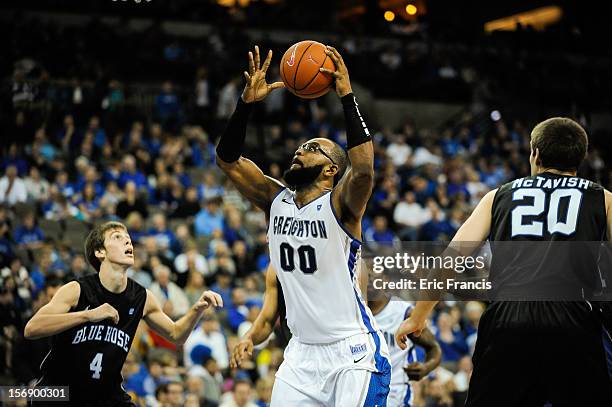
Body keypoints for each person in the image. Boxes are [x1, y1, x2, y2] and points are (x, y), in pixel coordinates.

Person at [395, 117, 612, 406]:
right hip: (573, 320)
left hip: (509, 319)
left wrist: (419, 316)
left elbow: (450, 260)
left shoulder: (497, 197)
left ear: (534, 152)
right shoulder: (604, 199)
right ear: (581, 158)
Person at [219, 45, 390, 406]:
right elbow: (229, 161)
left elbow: (363, 170)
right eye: (300, 147)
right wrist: (245, 105)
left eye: (312, 147)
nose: (299, 150)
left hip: (352, 353)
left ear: (331, 169)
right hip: (300, 355)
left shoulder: (341, 205)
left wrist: (345, 95)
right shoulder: (275, 200)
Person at [24, 221, 223, 406]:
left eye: (128, 237)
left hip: (106, 393)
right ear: (100, 252)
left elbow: (176, 334)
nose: (127, 240)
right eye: (117, 237)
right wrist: (87, 315)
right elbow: (32, 328)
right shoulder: (77, 290)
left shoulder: (142, 298)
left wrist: (196, 310)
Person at [369, 295, 441, 407]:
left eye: (374, 277)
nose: (370, 280)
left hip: (394, 390)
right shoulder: (354, 310)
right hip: (360, 386)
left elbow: (434, 348)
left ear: (385, 280)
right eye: (367, 277)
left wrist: (426, 367)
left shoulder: (404, 312)